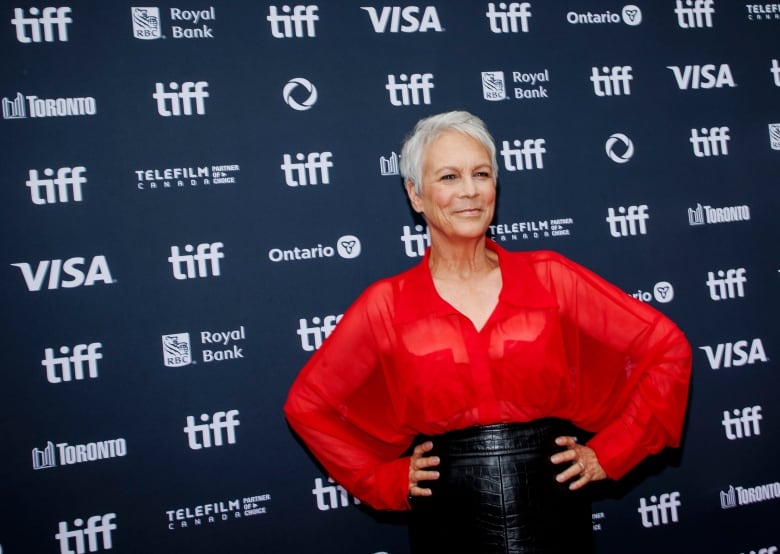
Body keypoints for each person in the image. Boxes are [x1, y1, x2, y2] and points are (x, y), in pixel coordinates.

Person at [284, 111, 692, 553]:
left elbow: (667, 350)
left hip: (555, 510)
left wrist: (609, 455)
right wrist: (381, 479)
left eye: (481, 173)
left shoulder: (551, 278)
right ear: (415, 195)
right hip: (448, 518)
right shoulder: (387, 304)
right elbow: (310, 406)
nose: (469, 191)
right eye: (448, 176)